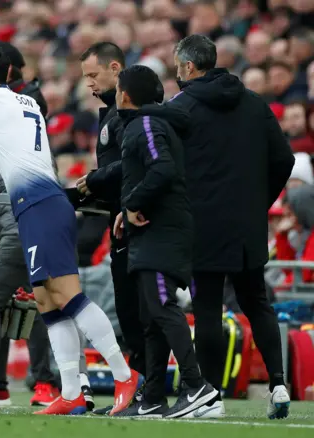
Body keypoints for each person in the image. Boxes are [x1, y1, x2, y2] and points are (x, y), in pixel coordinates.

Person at [0, 44, 138, 416]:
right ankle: (71, 393)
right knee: (47, 304)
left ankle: (123, 374)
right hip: (43, 204)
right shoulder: (26, 102)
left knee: (67, 297)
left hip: (39, 207)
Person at [167, 34, 295, 419]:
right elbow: (284, 160)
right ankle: (278, 384)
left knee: (207, 308)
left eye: (177, 66)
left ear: (190, 67)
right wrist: (258, 204)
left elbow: (168, 168)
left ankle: (211, 396)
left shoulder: (182, 107)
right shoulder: (255, 104)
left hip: (203, 224)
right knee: (257, 301)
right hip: (247, 224)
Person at [111, 65, 218, 418]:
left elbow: (162, 169)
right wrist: (127, 209)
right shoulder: (156, 122)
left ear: (125, 95)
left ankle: (197, 386)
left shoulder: (144, 124)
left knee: (160, 308)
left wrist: (133, 203)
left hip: (161, 231)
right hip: (158, 231)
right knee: (151, 317)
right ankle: (153, 396)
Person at [76, 42, 147, 415]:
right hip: (119, 220)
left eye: (93, 74)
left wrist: (93, 179)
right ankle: (139, 392)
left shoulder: (127, 117)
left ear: (115, 68)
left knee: (138, 310)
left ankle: (146, 391)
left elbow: (131, 165)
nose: (88, 83)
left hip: (136, 224)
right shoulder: (111, 115)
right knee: (129, 308)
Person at [0, 133, 60, 408]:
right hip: (43, 233)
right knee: (42, 303)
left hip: (10, 237)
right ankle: (57, 385)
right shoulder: (37, 141)